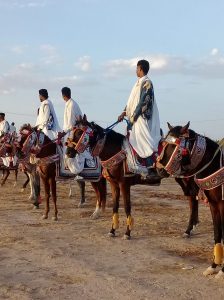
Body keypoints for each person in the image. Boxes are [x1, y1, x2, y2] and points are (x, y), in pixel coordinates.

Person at [118, 59, 161, 180]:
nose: (136, 71)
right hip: (134, 118)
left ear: (141, 69)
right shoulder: (137, 83)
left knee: (143, 141)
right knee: (131, 140)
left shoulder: (147, 82)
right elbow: (131, 102)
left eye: (137, 68)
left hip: (142, 118)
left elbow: (144, 102)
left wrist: (133, 117)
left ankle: (151, 168)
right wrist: (123, 113)